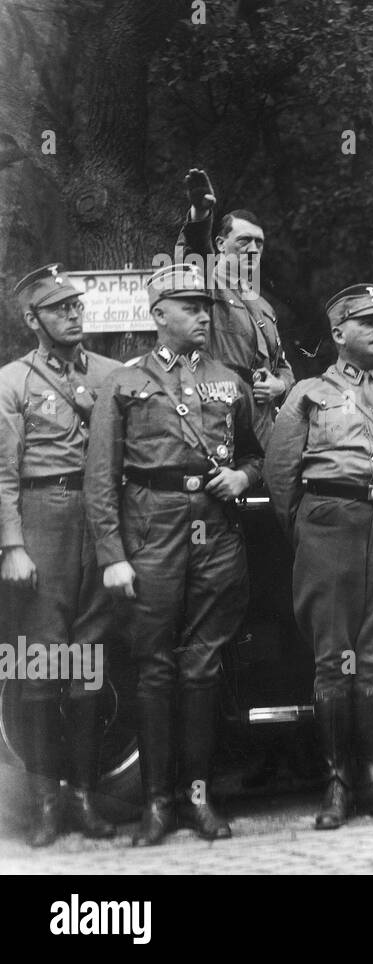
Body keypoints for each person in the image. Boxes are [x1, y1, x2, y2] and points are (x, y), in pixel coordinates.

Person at [84, 263, 262, 846]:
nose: (204, 315)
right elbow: (101, 477)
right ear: (159, 316)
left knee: (203, 666)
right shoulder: (125, 381)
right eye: (190, 306)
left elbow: (256, 455)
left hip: (216, 534)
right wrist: (113, 552)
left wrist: (242, 476)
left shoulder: (229, 380)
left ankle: (198, 799)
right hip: (151, 531)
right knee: (155, 668)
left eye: (205, 306)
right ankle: (157, 804)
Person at [264, 284, 373, 829]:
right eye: (367, 322)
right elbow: (279, 475)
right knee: (334, 660)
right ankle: (337, 783)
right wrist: (311, 529)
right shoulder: (309, 393)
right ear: (338, 334)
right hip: (328, 526)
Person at [0, 264, 119, 846]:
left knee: (89, 659)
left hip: (98, 521)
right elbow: (2, 472)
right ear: (32, 319)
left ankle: (83, 797)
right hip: (42, 516)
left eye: (77, 305)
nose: (73, 314)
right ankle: (46, 801)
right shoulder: (12, 382)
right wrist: (12, 545)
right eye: (58, 307)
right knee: (42, 663)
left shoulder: (112, 374)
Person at [178, 168, 294, 449]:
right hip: (216, 419)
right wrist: (201, 216)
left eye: (259, 243)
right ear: (220, 244)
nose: (253, 249)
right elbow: (196, 251)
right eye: (244, 241)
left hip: (261, 427)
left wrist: (279, 385)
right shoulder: (205, 285)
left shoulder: (263, 305)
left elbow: (284, 367)